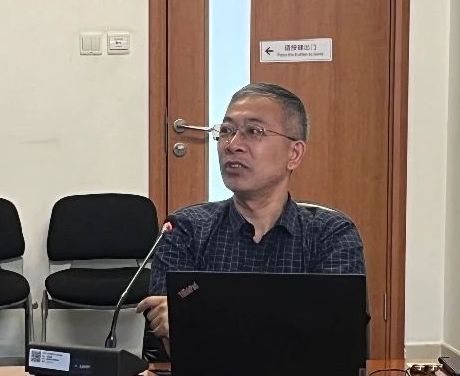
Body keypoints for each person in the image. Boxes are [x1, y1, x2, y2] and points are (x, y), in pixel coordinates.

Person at [137, 82, 365, 352]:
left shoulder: (331, 233)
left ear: (294, 154)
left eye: (254, 131)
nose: (233, 145)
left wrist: (201, 318)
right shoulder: (185, 228)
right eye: (226, 131)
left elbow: (335, 337)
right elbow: (172, 337)